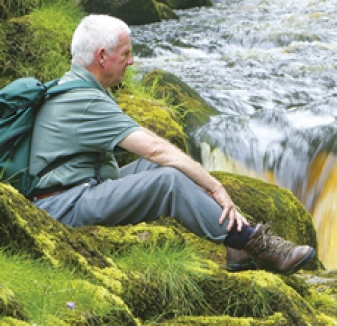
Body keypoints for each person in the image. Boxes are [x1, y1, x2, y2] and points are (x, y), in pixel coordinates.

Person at [28, 14, 316, 275]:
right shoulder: (84, 100)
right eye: (126, 53)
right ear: (102, 57)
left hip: (80, 189)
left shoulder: (74, 86)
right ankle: (251, 242)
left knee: (164, 167)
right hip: (62, 205)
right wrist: (216, 186)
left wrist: (197, 177)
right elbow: (155, 147)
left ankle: (237, 245)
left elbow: (153, 154)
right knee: (168, 179)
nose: (131, 61)